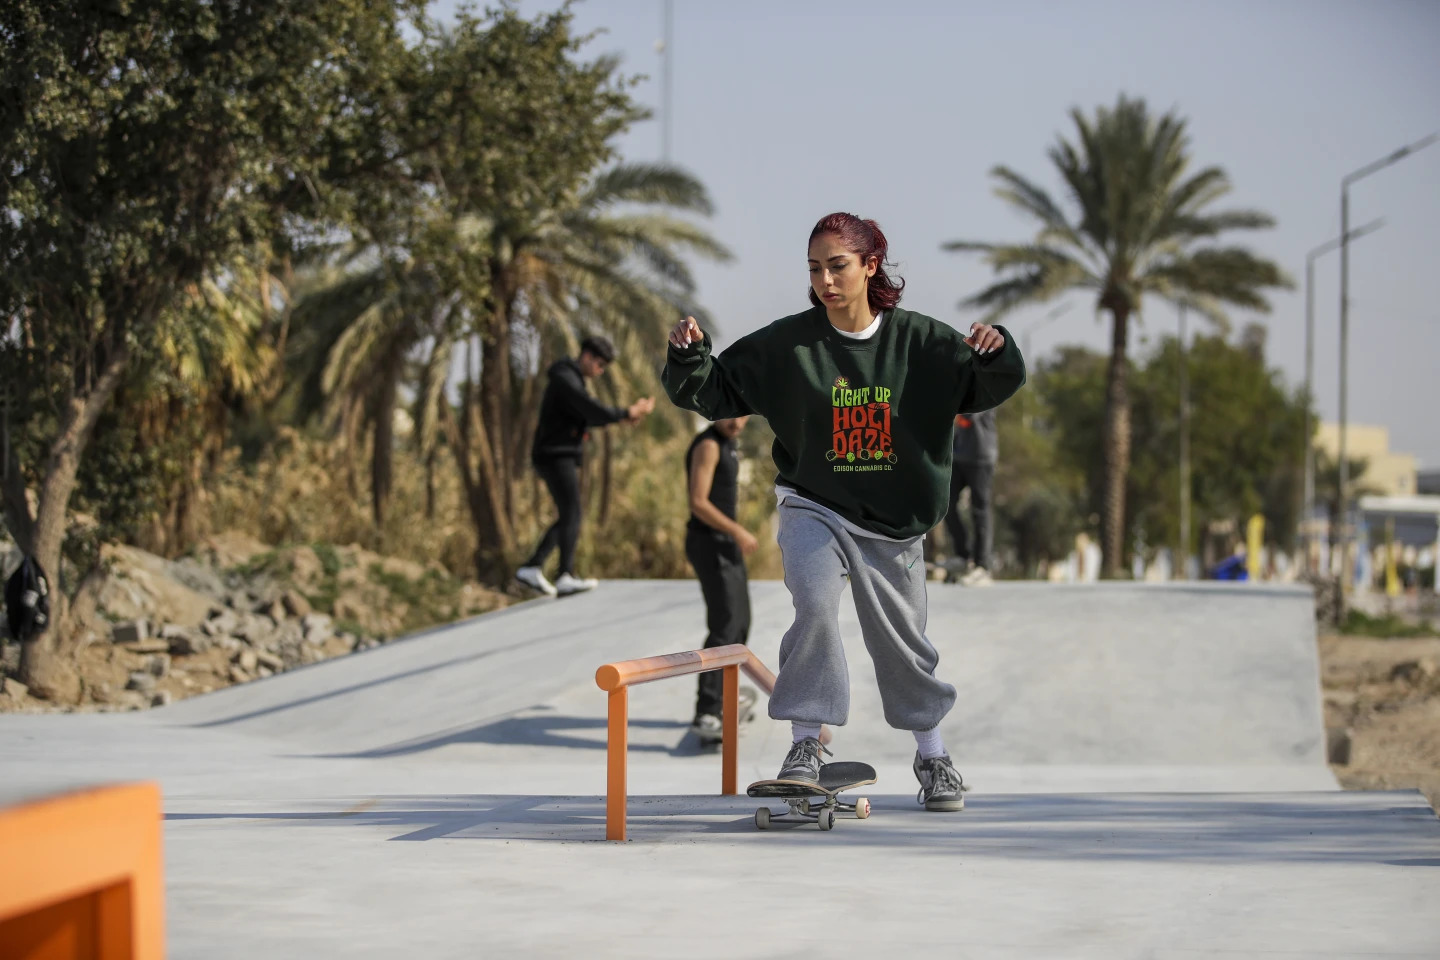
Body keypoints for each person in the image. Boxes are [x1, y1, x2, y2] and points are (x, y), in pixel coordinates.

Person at [662, 212, 1025, 811]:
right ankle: (807, 744)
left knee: (902, 642)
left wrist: (995, 348)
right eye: (814, 268)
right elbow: (714, 389)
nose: (825, 280)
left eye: (837, 266)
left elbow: (990, 383)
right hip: (814, 504)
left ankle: (932, 753)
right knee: (815, 607)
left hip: (893, 521)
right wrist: (690, 354)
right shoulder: (790, 345)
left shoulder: (921, 342)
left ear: (870, 266)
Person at [515, 336, 655, 598]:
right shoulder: (565, 378)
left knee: (571, 513)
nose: (600, 372)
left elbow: (586, 415)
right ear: (588, 356)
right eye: (600, 365)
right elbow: (589, 409)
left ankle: (534, 566)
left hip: (559, 454)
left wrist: (624, 417)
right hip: (554, 455)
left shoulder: (571, 380)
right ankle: (563, 574)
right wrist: (625, 412)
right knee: (573, 511)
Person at [684, 416, 758, 744]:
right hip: (710, 543)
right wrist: (737, 530)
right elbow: (698, 502)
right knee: (725, 623)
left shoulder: (729, 444)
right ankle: (707, 710)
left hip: (726, 545)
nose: (737, 421)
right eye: (731, 413)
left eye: (743, 414)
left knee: (741, 622)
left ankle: (726, 697)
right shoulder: (709, 445)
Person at [945, 408, 998, 585]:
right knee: (945, 504)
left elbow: (967, 416)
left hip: (981, 454)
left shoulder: (984, 382)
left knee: (980, 510)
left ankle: (982, 565)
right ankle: (962, 556)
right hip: (959, 454)